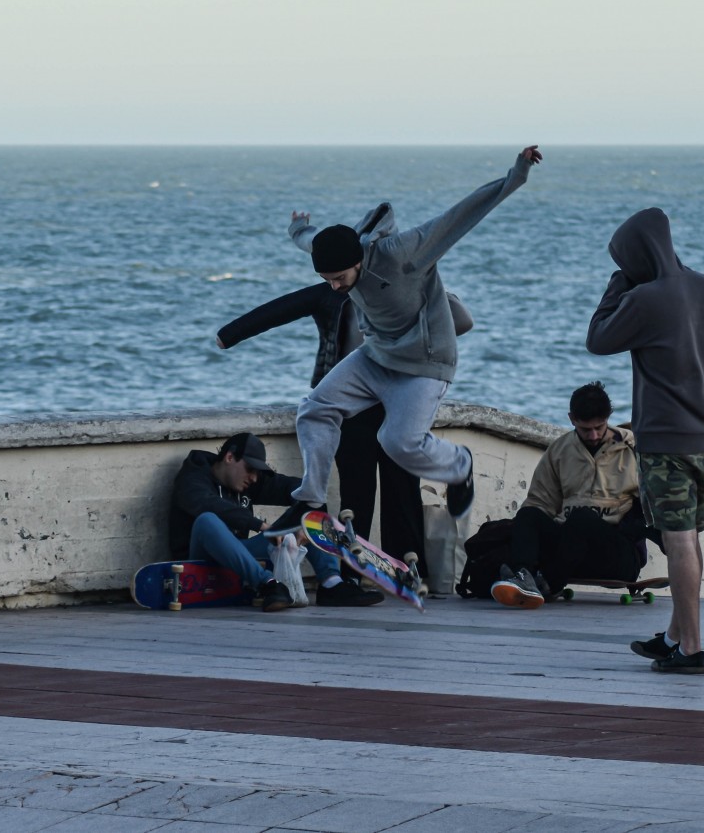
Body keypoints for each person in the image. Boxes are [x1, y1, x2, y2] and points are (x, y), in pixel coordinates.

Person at [265, 145, 543, 535]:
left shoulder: (404, 253)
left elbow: (459, 217)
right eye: (327, 280)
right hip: (377, 357)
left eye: (340, 278)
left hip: (425, 363)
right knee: (316, 407)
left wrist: (516, 174)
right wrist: (298, 228)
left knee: (398, 442)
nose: (335, 287)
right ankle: (309, 498)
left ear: (358, 260)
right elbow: (311, 240)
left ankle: (459, 466)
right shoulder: (336, 254)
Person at [216, 208, 474, 572]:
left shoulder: (402, 290)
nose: (338, 283)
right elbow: (280, 307)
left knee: (402, 485)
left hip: (399, 395)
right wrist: (229, 335)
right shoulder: (330, 290)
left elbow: (461, 320)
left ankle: (406, 563)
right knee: (357, 491)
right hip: (352, 407)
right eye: (331, 277)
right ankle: (355, 564)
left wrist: (425, 316)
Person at [586, 208, 704, 675]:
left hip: (665, 445)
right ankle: (675, 636)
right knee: (689, 541)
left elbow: (597, 338)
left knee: (677, 543)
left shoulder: (645, 299)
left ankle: (691, 650)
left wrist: (617, 286)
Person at [168, 432, 384, 611]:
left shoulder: (248, 482)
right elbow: (209, 505)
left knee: (311, 511)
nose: (253, 478)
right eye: (250, 469)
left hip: (241, 557)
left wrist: (305, 523)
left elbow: (303, 491)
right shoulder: (192, 477)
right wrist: (259, 525)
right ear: (230, 457)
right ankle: (268, 584)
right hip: (201, 561)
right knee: (208, 521)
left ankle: (331, 584)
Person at [490, 381, 650, 609]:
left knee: (582, 519)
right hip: (568, 550)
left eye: (600, 427)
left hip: (616, 554)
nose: (594, 435)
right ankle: (522, 575)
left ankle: (547, 585)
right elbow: (540, 501)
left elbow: (655, 504)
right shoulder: (559, 451)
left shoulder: (634, 449)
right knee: (528, 514)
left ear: (609, 417)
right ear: (571, 418)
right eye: (586, 429)